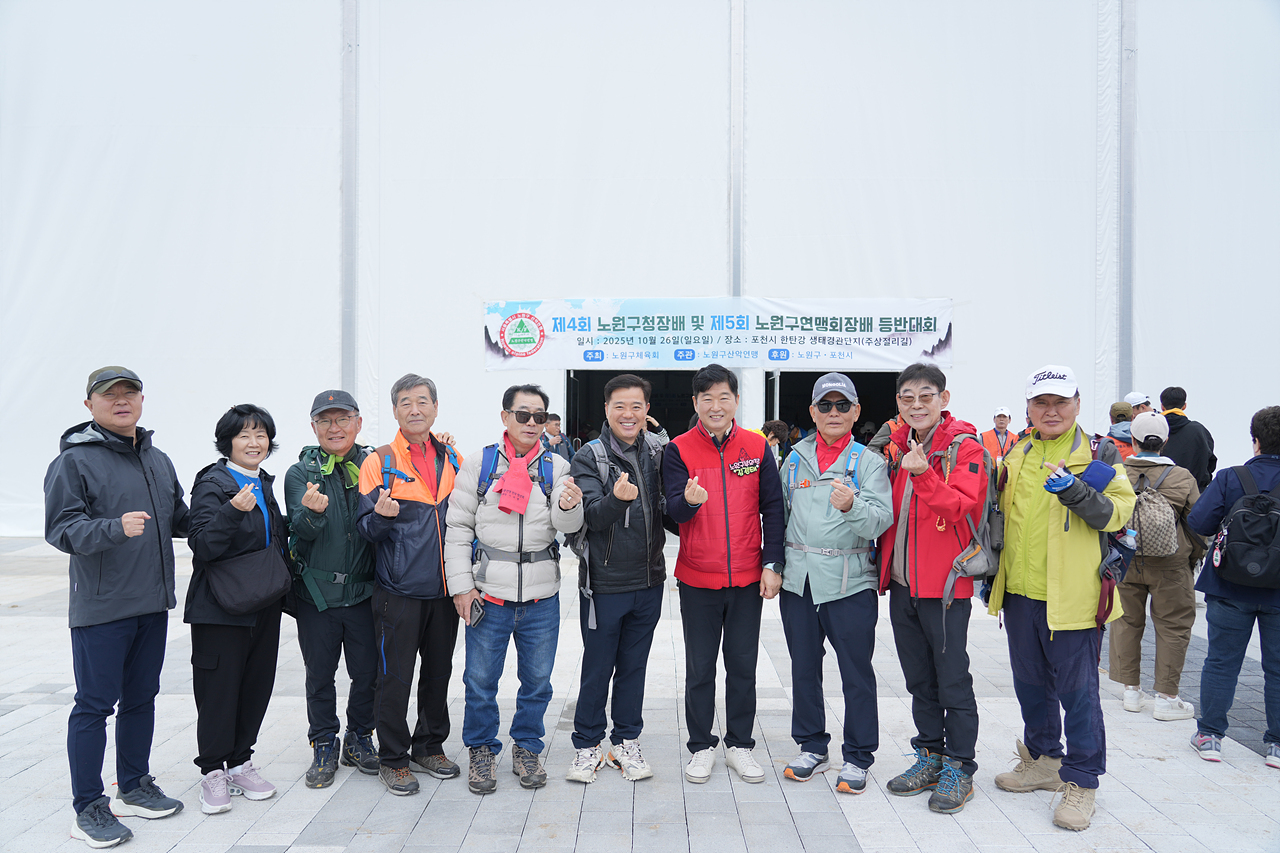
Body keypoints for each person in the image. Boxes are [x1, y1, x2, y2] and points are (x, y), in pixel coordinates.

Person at [986, 365, 1136, 832]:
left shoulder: (1098, 453)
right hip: (1020, 594)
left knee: (1079, 694)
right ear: (1028, 407)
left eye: (1060, 402)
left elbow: (1118, 514)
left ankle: (1083, 779)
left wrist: (1076, 491)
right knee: (1030, 685)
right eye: (1041, 403)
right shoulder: (1018, 452)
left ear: (1076, 404)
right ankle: (1045, 760)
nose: (1050, 411)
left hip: (1073, 597)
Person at [44, 367, 189, 848]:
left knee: (142, 699)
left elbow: (180, 518)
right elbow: (62, 530)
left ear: (142, 400)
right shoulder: (75, 462)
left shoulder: (158, 459)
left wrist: (231, 506)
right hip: (103, 609)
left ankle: (133, 786)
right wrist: (112, 527)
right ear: (90, 405)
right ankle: (88, 807)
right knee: (93, 707)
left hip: (152, 605)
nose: (121, 401)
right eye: (110, 395)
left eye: (130, 393)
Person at [445, 384, 584, 794]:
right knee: (480, 681)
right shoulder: (480, 464)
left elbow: (568, 528)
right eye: (522, 415)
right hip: (488, 594)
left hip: (541, 596)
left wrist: (568, 505)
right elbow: (457, 530)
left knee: (538, 681)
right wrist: (461, 588)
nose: (530, 423)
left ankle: (526, 747)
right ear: (505, 416)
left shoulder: (555, 467)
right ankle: (482, 750)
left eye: (539, 417)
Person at [662, 364, 786, 785]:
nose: (716, 406)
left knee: (743, 665)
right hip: (697, 578)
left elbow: (773, 508)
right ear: (696, 403)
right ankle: (700, 746)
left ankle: (740, 745)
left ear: (735, 401)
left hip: (749, 578)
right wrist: (689, 503)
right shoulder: (677, 449)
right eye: (707, 398)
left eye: (724, 397)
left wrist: (772, 565)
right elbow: (672, 513)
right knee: (700, 669)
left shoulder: (755, 446)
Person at [776, 374, 892, 795]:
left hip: (849, 581)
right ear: (812, 412)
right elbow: (779, 516)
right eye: (825, 406)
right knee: (804, 667)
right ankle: (812, 745)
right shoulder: (793, 458)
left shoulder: (869, 462)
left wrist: (853, 505)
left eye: (843, 406)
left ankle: (859, 755)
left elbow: (881, 520)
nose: (834, 413)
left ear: (856, 412)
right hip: (799, 582)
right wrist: (773, 566)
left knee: (856, 672)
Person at [878, 364, 985, 812]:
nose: (916, 405)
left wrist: (922, 474)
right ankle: (929, 753)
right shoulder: (897, 445)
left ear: (943, 398)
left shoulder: (964, 446)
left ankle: (959, 765)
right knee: (919, 678)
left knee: (952, 678)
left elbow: (962, 504)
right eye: (907, 398)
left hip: (945, 588)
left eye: (926, 396)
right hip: (904, 585)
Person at [356, 374, 462, 795]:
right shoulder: (379, 462)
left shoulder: (451, 456)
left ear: (435, 408)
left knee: (439, 674)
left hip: (445, 590)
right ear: (396, 410)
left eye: (422, 401)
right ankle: (394, 757)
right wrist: (381, 515)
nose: (414, 409)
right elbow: (365, 530)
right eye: (405, 403)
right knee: (395, 678)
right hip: (398, 593)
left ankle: (429, 746)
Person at [565, 374, 671, 783]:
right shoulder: (590, 456)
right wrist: (616, 499)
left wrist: (691, 507)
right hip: (604, 585)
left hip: (649, 582)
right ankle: (587, 744)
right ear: (607, 410)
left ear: (647, 411)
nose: (629, 414)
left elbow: (670, 512)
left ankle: (626, 741)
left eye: (637, 406)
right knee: (597, 666)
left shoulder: (659, 451)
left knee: (633, 667)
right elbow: (589, 517)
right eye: (620, 407)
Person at [187, 404, 288, 814]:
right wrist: (232, 512)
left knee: (255, 684)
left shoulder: (262, 482)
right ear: (227, 441)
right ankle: (212, 770)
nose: (254, 442)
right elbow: (203, 545)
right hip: (221, 607)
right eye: (245, 435)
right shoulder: (213, 483)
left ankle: (241, 761)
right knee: (219, 691)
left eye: (261, 434)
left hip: (262, 602)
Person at [285, 391, 379, 789]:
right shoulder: (299, 473)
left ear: (358, 423)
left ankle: (359, 737)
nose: (334, 428)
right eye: (325, 421)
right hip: (317, 597)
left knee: (368, 673)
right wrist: (312, 514)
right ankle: (323, 741)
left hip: (364, 594)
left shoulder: (374, 465)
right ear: (313, 427)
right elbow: (298, 534)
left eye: (343, 419)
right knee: (319, 675)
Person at [1187, 406, 1280, 769]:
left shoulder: (1231, 477)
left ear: (1255, 440)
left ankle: (1210, 735)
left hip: (1229, 586)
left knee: (1222, 662)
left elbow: (1199, 521)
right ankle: (1275, 745)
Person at [1107, 412, 1200, 721]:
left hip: (1125, 559)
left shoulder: (1117, 472)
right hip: (1170, 562)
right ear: (1165, 441)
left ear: (1131, 440)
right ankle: (1166, 698)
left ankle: (1131, 691)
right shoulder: (1182, 477)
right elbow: (1198, 524)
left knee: (1125, 622)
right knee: (1173, 626)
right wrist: (1192, 558)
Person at [1160, 387, 1217, 490]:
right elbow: (1211, 462)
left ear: (1162, 406)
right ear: (1184, 406)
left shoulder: (1154, 429)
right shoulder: (1199, 430)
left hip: (1159, 495)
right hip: (1193, 495)